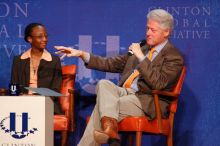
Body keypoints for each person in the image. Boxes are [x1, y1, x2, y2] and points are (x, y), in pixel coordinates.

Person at [55, 9, 184, 146]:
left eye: (153, 30)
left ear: (166, 32)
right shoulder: (143, 47)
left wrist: (141, 57)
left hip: (146, 101)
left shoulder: (173, 57)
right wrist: (81, 54)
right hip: (124, 93)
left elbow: (158, 84)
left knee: (103, 107)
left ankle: (111, 131)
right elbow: (112, 63)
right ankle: (110, 130)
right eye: (147, 28)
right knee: (104, 83)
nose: (147, 33)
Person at [11, 23, 63, 114]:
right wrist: (17, 100)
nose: (45, 39)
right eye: (40, 37)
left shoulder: (54, 60)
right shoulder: (18, 60)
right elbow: (13, 86)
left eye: (46, 36)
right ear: (29, 39)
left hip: (46, 104)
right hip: (21, 104)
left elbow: (55, 90)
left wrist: (34, 98)